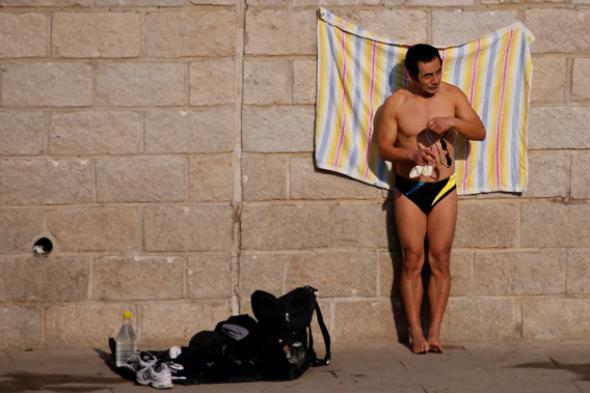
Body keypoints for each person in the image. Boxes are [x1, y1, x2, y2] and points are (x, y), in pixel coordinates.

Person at [377, 44, 486, 354]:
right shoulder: (396, 103)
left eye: (438, 72)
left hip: (442, 188)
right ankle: (415, 333)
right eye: (427, 75)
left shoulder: (451, 95)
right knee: (412, 259)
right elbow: (383, 148)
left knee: (440, 258)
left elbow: (479, 131)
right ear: (411, 74)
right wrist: (410, 153)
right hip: (409, 188)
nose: (435, 80)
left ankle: (435, 332)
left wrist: (452, 123)